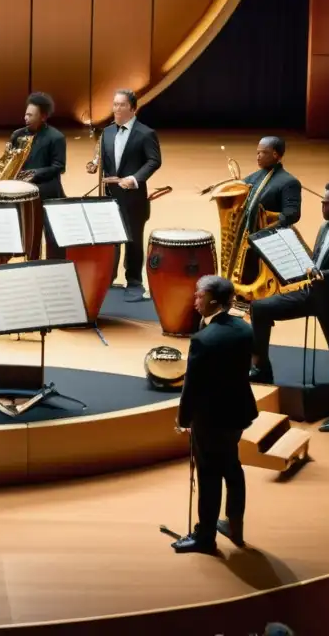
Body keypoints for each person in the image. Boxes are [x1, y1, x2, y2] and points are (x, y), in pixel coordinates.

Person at [250, 181, 329, 432]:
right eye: (323, 200)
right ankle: (261, 367)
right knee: (259, 308)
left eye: (328, 201)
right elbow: (316, 259)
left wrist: (323, 274)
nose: (322, 204)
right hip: (312, 294)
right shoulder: (325, 227)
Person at [172, 275, 258, 554]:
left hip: (211, 420)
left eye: (199, 295)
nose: (195, 299)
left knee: (208, 475)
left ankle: (205, 537)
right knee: (231, 466)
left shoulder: (203, 340)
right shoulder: (244, 329)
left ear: (213, 301)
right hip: (239, 412)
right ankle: (235, 525)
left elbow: (191, 387)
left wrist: (183, 420)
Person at [86, 89, 162, 302]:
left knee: (133, 239)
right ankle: (108, 279)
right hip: (110, 195)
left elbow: (154, 161)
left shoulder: (146, 133)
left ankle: (134, 282)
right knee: (111, 239)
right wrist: (94, 165)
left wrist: (135, 178)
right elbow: (102, 158)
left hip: (134, 196)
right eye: (115, 104)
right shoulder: (107, 133)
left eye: (121, 105)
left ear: (132, 108)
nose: (116, 109)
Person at [10, 92, 66, 259]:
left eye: (30, 115)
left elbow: (59, 166)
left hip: (48, 192)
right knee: (30, 236)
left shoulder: (56, 137)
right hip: (24, 193)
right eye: (26, 114)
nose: (26, 118)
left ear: (43, 116)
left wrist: (34, 174)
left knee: (52, 236)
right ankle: (30, 264)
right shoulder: (18, 135)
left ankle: (53, 267)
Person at [239, 136, 302, 282]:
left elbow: (292, 214)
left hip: (271, 242)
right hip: (248, 241)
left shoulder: (289, 182)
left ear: (275, 154)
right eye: (257, 153)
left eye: (262, 153)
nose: (258, 156)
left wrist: (265, 220)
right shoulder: (254, 177)